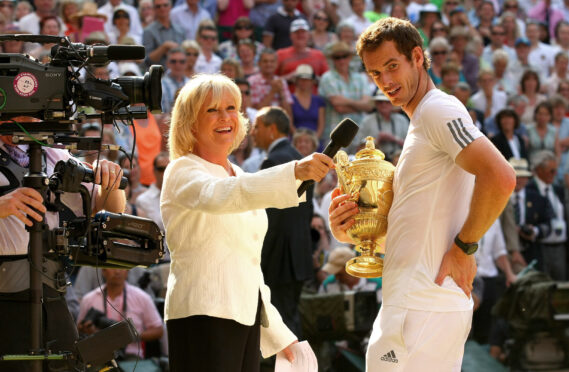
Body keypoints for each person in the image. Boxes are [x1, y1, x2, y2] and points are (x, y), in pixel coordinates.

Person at [329, 18, 516, 371]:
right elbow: (415, 234)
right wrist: (354, 231)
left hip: (420, 306)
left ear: (417, 56)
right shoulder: (425, 121)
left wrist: (465, 248)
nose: (385, 82)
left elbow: (501, 177)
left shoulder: (436, 110)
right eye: (374, 74)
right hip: (420, 304)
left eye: (391, 66)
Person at [160, 74, 334, 371]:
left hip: (246, 318)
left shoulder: (240, 175)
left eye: (231, 107)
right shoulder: (182, 170)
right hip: (203, 314)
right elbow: (219, 196)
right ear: (190, 123)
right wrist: (294, 172)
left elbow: (250, 268)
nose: (225, 117)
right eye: (212, 110)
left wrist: (281, 336)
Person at [0, 119, 125, 372]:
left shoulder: (55, 152)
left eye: (33, 115)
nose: (25, 122)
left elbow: (111, 207)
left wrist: (109, 177)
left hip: (54, 297)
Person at [251, 106, 315, 338]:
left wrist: (259, 258)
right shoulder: (301, 159)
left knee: (284, 327)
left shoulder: (272, 161)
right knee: (290, 319)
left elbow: (269, 219)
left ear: (272, 129)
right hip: (298, 256)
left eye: (257, 127)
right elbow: (306, 213)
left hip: (279, 259)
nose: (252, 132)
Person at [77, 268, 164, 358]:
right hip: (99, 356)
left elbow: (158, 330)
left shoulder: (142, 297)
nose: (117, 271)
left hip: (131, 357)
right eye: (113, 267)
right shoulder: (89, 299)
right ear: (103, 271)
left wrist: (131, 335)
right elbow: (78, 331)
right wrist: (91, 332)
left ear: (127, 271)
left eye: (121, 267)